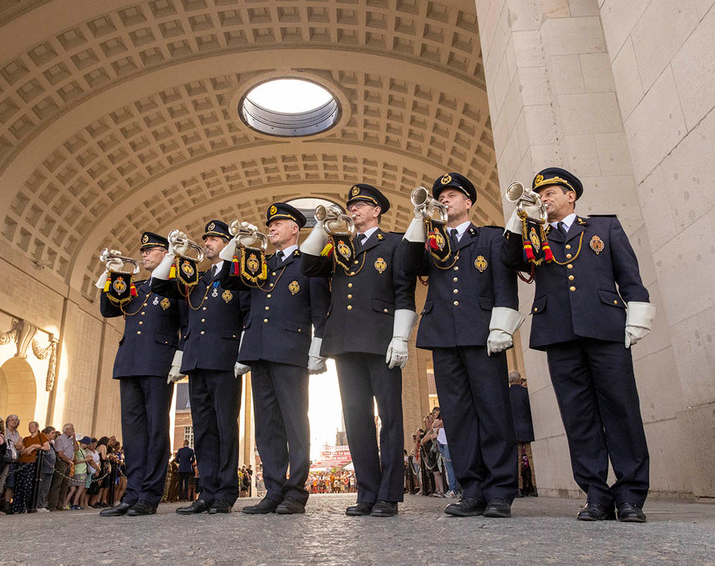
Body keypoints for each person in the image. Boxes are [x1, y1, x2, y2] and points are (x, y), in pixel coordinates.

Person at [503, 167, 655, 523]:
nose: (544, 197)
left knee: (622, 411)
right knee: (578, 417)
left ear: (571, 195)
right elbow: (510, 260)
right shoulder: (533, 234)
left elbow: (630, 277)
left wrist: (636, 317)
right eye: (541, 193)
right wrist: (520, 215)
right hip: (559, 332)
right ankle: (596, 495)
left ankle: (631, 495)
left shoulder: (604, 228)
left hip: (605, 328)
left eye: (551, 191)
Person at [400, 172, 522, 518]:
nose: (446, 200)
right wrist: (419, 218)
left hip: (482, 334)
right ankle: (472, 489)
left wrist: (502, 327)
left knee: (494, 411)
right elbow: (407, 266)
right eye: (442, 196)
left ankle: (499, 491)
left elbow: (504, 284)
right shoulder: (430, 242)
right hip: (442, 335)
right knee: (458, 417)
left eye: (452, 195)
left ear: (468, 202)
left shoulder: (490, 238)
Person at [300, 184, 416, 518]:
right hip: (346, 340)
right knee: (356, 418)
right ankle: (367, 492)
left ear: (377, 210)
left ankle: (389, 495)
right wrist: (323, 226)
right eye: (351, 205)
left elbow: (403, 292)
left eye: (360, 204)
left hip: (381, 339)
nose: (353, 209)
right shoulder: (338, 246)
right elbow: (308, 265)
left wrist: (400, 337)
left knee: (390, 418)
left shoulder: (393, 243)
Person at [218, 202, 330, 515]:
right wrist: (237, 243)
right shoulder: (258, 264)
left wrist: (317, 349)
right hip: (258, 350)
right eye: (270, 224)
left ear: (296, 228)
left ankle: (295, 491)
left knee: (295, 423)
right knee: (267, 426)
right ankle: (273, 490)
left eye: (278, 223)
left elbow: (320, 308)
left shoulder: (308, 261)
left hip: (291, 351)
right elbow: (228, 279)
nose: (272, 228)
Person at [151, 219, 248, 515]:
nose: (207, 243)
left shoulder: (238, 275)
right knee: (203, 428)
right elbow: (158, 284)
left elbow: (247, 314)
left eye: (215, 240)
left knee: (225, 426)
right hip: (196, 360)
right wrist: (173, 254)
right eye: (205, 239)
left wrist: (243, 354)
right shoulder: (196, 278)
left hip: (223, 359)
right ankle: (207, 490)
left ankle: (226, 492)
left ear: (227, 244)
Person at [98, 232, 186, 517]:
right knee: (133, 432)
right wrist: (109, 273)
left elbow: (186, 322)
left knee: (156, 429)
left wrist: (178, 358)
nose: (144, 255)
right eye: (143, 251)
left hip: (158, 362)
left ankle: (149, 495)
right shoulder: (133, 287)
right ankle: (131, 494)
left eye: (151, 251)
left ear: (165, 253)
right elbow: (108, 308)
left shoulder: (176, 284)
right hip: (130, 362)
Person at [507, 371, 537, 497]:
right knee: (531, 458)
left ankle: (518, 488)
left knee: (517, 460)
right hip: (527, 428)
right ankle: (535, 486)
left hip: (513, 430)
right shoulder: (526, 393)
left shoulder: (506, 394)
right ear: (519, 379)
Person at [12, 421, 49, 514]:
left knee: (28, 485)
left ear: (37, 428)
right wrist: (30, 448)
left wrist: (34, 446)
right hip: (22, 463)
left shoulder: (41, 436)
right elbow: (21, 452)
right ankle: (17, 508)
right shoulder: (26, 439)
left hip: (32, 464)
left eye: (32, 426)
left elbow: (46, 447)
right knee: (19, 486)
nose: (30, 428)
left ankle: (27, 505)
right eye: (29, 426)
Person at [47, 423, 75, 511]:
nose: (73, 430)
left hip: (68, 463)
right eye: (71, 429)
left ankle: (60, 504)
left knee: (65, 485)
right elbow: (60, 453)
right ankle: (52, 504)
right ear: (66, 430)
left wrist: (74, 438)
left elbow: (76, 449)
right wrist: (68, 461)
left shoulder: (70, 440)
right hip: (62, 462)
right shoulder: (60, 439)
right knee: (57, 484)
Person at [35, 426, 58, 512]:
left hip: (50, 469)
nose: (54, 435)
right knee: (40, 487)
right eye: (52, 433)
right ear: (46, 434)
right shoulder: (42, 442)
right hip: (43, 468)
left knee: (45, 488)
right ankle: (37, 504)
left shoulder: (51, 443)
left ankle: (41, 504)